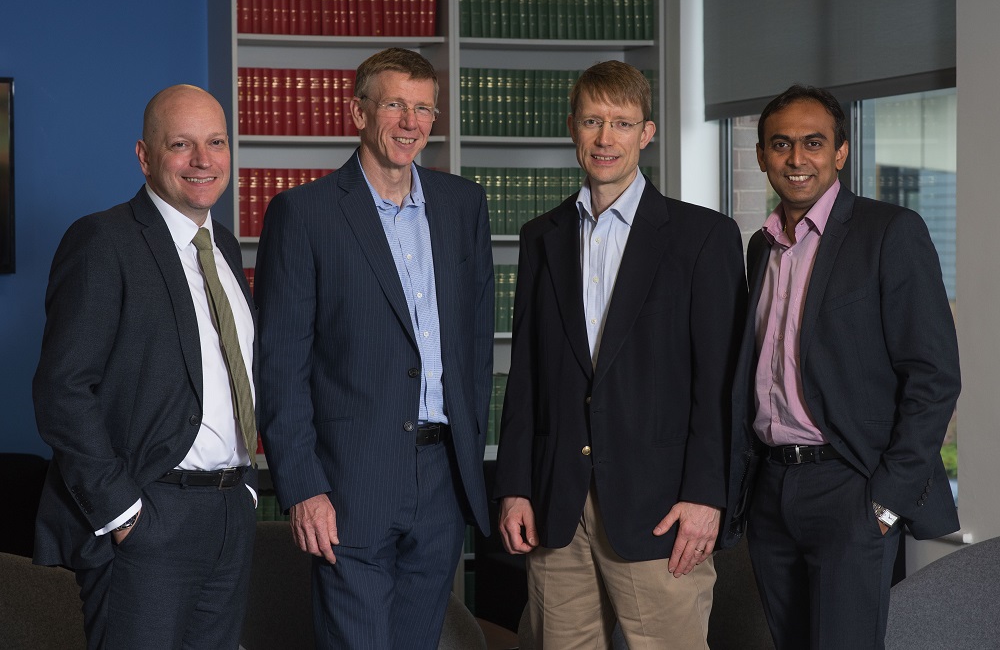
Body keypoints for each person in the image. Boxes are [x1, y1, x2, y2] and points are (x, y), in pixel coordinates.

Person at [493, 60, 747, 649]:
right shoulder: (541, 237)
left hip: (661, 508)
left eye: (622, 123)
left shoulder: (703, 238)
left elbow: (720, 387)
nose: (606, 138)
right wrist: (514, 487)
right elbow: (526, 377)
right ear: (572, 129)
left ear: (647, 133)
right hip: (557, 504)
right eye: (592, 121)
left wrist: (707, 497)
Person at [254, 47, 493, 649]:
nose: (411, 122)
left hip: (443, 477)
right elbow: (281, 365)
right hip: (349, 479)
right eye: (394, 105)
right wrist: (303, 487)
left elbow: (474, 346)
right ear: (357, 113)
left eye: (423, 109)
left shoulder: (463, 206)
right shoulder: (303, 214)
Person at [721, 84, 961, 650]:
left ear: (841, 152)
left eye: (813, 143)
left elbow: (933, 375)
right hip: (772, 488)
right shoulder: (762, 247)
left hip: (849, 485)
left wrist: (885, 502)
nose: (796, 158)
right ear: (761, 156)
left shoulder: (889, 233)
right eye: (781, 144)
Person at [32, 84, 258, 650]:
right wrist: (123, 513)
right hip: (151, 516)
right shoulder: (103, 241)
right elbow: (62, 390)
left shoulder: (225, 249)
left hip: (229, 510)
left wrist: (245, 491)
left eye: (216, 142)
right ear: (145, 155)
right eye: (182, 144)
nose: (203, 160)